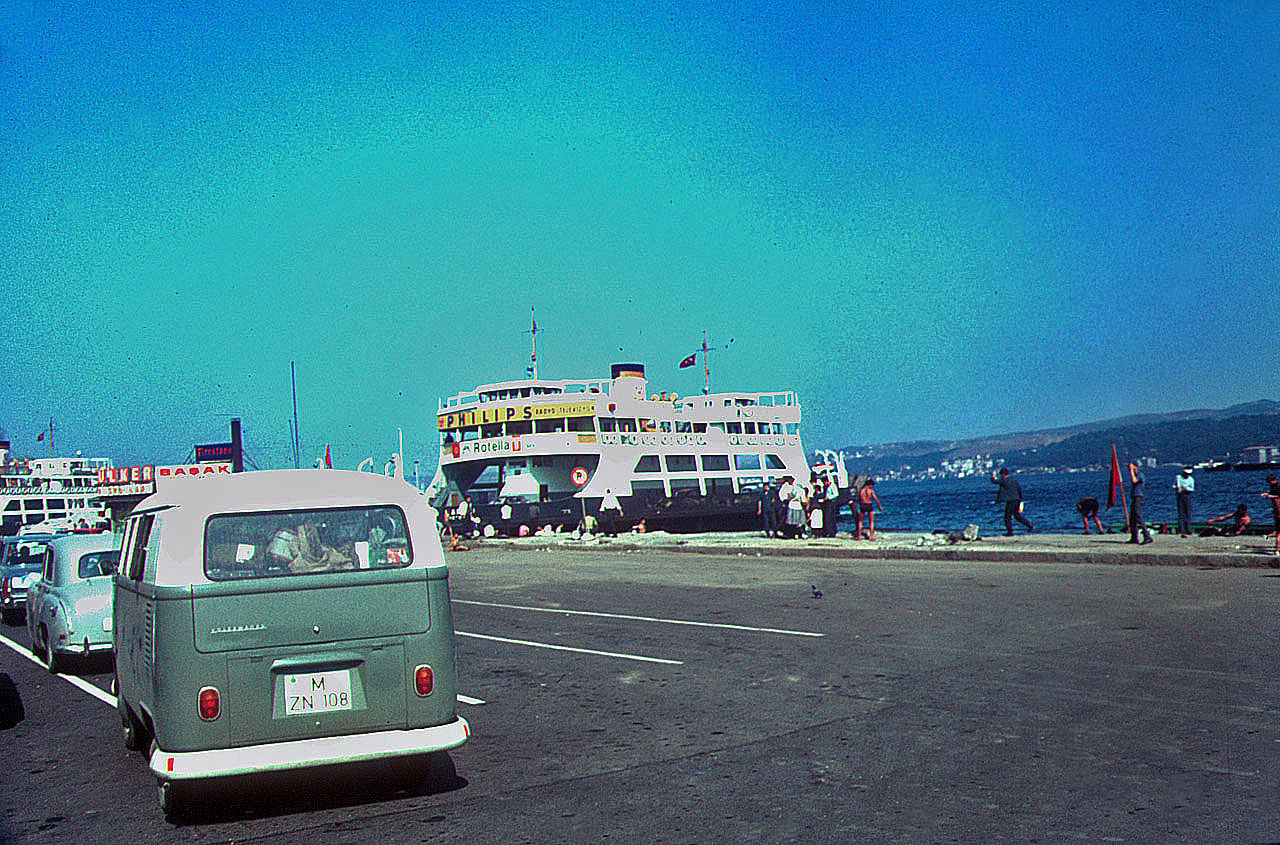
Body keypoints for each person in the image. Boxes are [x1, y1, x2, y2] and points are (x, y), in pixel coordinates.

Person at [990, 468, 1033, 536]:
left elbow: (994, 481)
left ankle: (1010, 532)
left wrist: (993, 477)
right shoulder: (1014, 481)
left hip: (1011, 501)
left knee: (1007, 516)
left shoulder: (1004, 480)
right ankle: (1029, 525)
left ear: (1003, 475)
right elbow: (1019, 490)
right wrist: (1021, 500)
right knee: (1017, 515)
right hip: (1017, 500)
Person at [1127, 462, 1153, 544]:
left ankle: (1147, 536)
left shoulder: (1140, 475)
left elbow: (1134, 481)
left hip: (1138, 497)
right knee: (1132, 518)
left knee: (1138, 516)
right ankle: (1134, 537)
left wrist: (1132, 471)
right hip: (1134, 497)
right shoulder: (1135, 475)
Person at [1262, 474, 1280, 556]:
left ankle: (1276, 550)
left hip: (1278, 511)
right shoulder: (1272, 487)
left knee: (1279, 533)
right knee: (1278, 532)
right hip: (1277, 511)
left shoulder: (1278, 486)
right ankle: (1276, 549)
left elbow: (1278, 496)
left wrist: (1269, 496)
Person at [1174, 467, 1194, 537]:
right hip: (1180, 495)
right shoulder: (1178, 477)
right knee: (1181, 513)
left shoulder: (1191, 479)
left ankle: (1188, 529)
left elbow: (1192, 489)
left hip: (1187, 495)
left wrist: (1186, 488)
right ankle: (1181, 529)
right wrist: (1176, 488)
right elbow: (1174, 485)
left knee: (1188, 513)